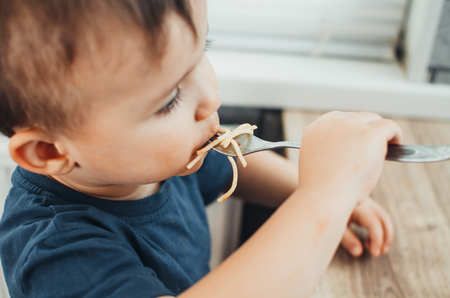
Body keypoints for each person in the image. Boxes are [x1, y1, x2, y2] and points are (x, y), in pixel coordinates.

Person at [0, 0, 402, 297]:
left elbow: (232, 165)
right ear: (50, 152)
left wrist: (309, 189)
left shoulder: (155, 158)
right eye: (170, 97)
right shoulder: (55, 254)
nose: (210, 98)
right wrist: (323, 196)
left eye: (202, 50)